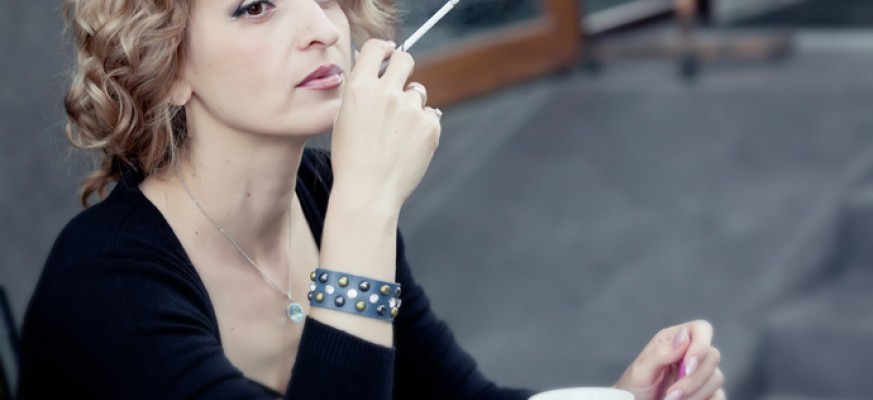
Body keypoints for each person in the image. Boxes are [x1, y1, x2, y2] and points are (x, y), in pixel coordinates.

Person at [18, 0, 725, 399]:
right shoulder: (106, 288)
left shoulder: (324, 194)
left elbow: (454, 399)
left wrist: (624, 396)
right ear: (164, 63)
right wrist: (367, 202)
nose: (323, 28)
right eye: (255, 7)